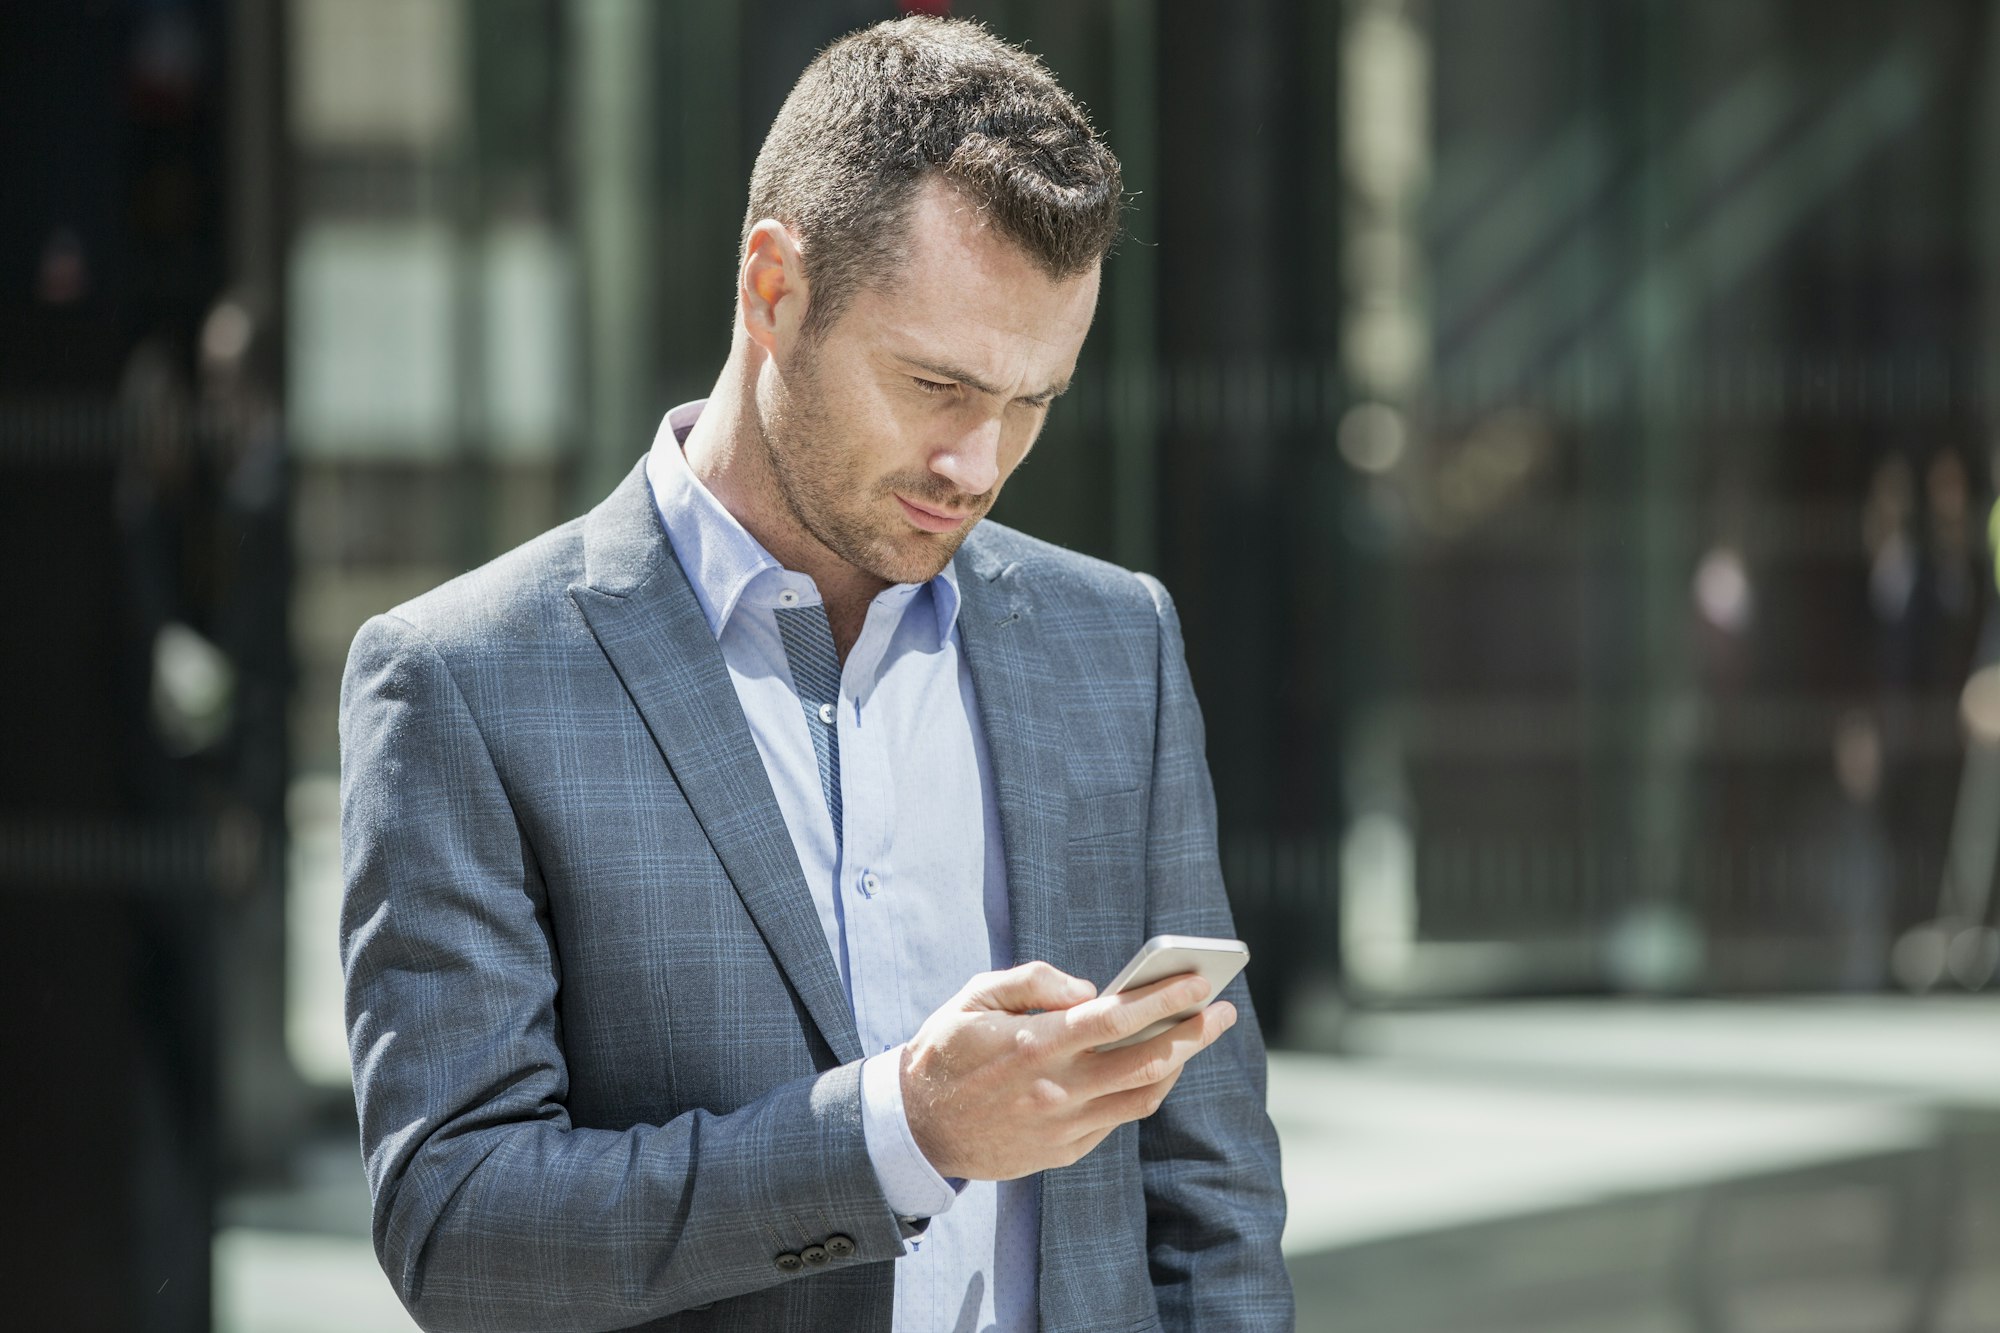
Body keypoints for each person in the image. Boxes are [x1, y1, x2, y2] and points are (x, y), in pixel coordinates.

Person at [339, 17, 1290, 1332]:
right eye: (937, 382)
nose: (978, 461)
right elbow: (459, 1231)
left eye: (1032, 400)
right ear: (774, 287)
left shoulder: (1112, 641)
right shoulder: (469, 682)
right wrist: (898, 1131)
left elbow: (1210, 1193)